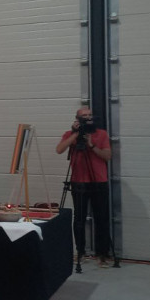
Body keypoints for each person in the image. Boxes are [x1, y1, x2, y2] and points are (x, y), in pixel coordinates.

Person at [55, 107, 113, 268]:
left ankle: (102, 254)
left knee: (101, 218)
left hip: (99, 181)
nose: (88, 118)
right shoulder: (70, 134)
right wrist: (75, 134)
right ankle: (80, 252)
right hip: (79, 181)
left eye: (89, 115)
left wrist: (91, 145)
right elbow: (59, 150)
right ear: (77, 119)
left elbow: (107, 156)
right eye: (84, 116)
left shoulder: (101, 134)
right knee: (79, 219)